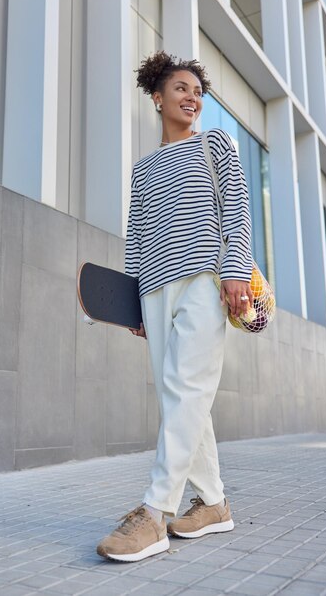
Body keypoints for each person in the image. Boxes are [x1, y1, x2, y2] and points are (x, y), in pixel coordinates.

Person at [97, 51, 253, 562]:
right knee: (178, 397)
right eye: (181, 88)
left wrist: (234, 268)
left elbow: (237, 209)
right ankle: (213, 503)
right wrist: (134, 304)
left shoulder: (216, 145)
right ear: (157, 97)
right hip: (154, 290)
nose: (192, 97)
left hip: (206, 281)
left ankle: (155, 512)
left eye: (197, 91)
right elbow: (136, 237)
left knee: (187, 387)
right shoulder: (143, 168)